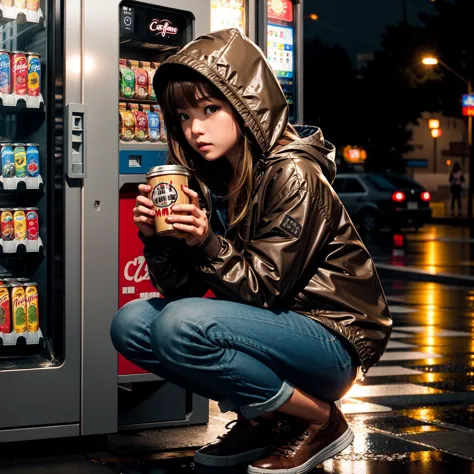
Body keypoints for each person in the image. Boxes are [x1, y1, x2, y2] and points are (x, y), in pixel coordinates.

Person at [110, 29, 392, 474]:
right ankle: (265, 417)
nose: (195, 128)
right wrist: (158, 239)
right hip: (272, 329)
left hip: (330, 338)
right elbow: (179, 288)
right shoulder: (210, 177)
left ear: (246, 105)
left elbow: (263, 289)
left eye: (209, 109)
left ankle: (319, 419)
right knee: (132, 324)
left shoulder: (293, 173)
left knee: (181, 324)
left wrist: (205, 241)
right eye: (183, 116)